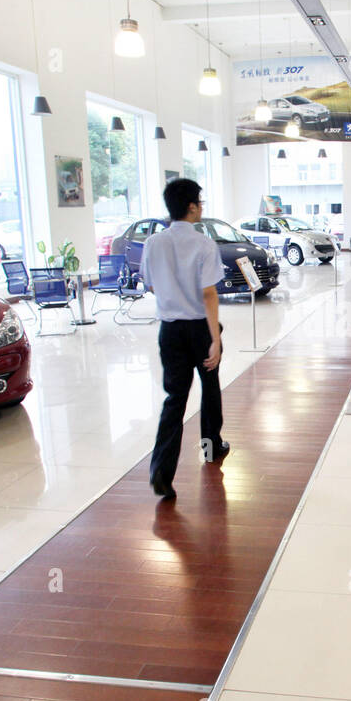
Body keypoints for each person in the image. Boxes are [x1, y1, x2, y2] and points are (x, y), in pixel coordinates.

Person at [141, 178, 229, 500]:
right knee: (208, 389)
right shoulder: (204, 244)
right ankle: (210, 448)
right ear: (191, 206)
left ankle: (161, 472)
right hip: (199, 328)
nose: (201, 208)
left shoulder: (153, 243)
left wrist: (172, 293)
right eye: (200, 203)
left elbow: (150, 285)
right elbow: (209, 295)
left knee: (174, 399)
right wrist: (215, 340)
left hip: (170, 329)